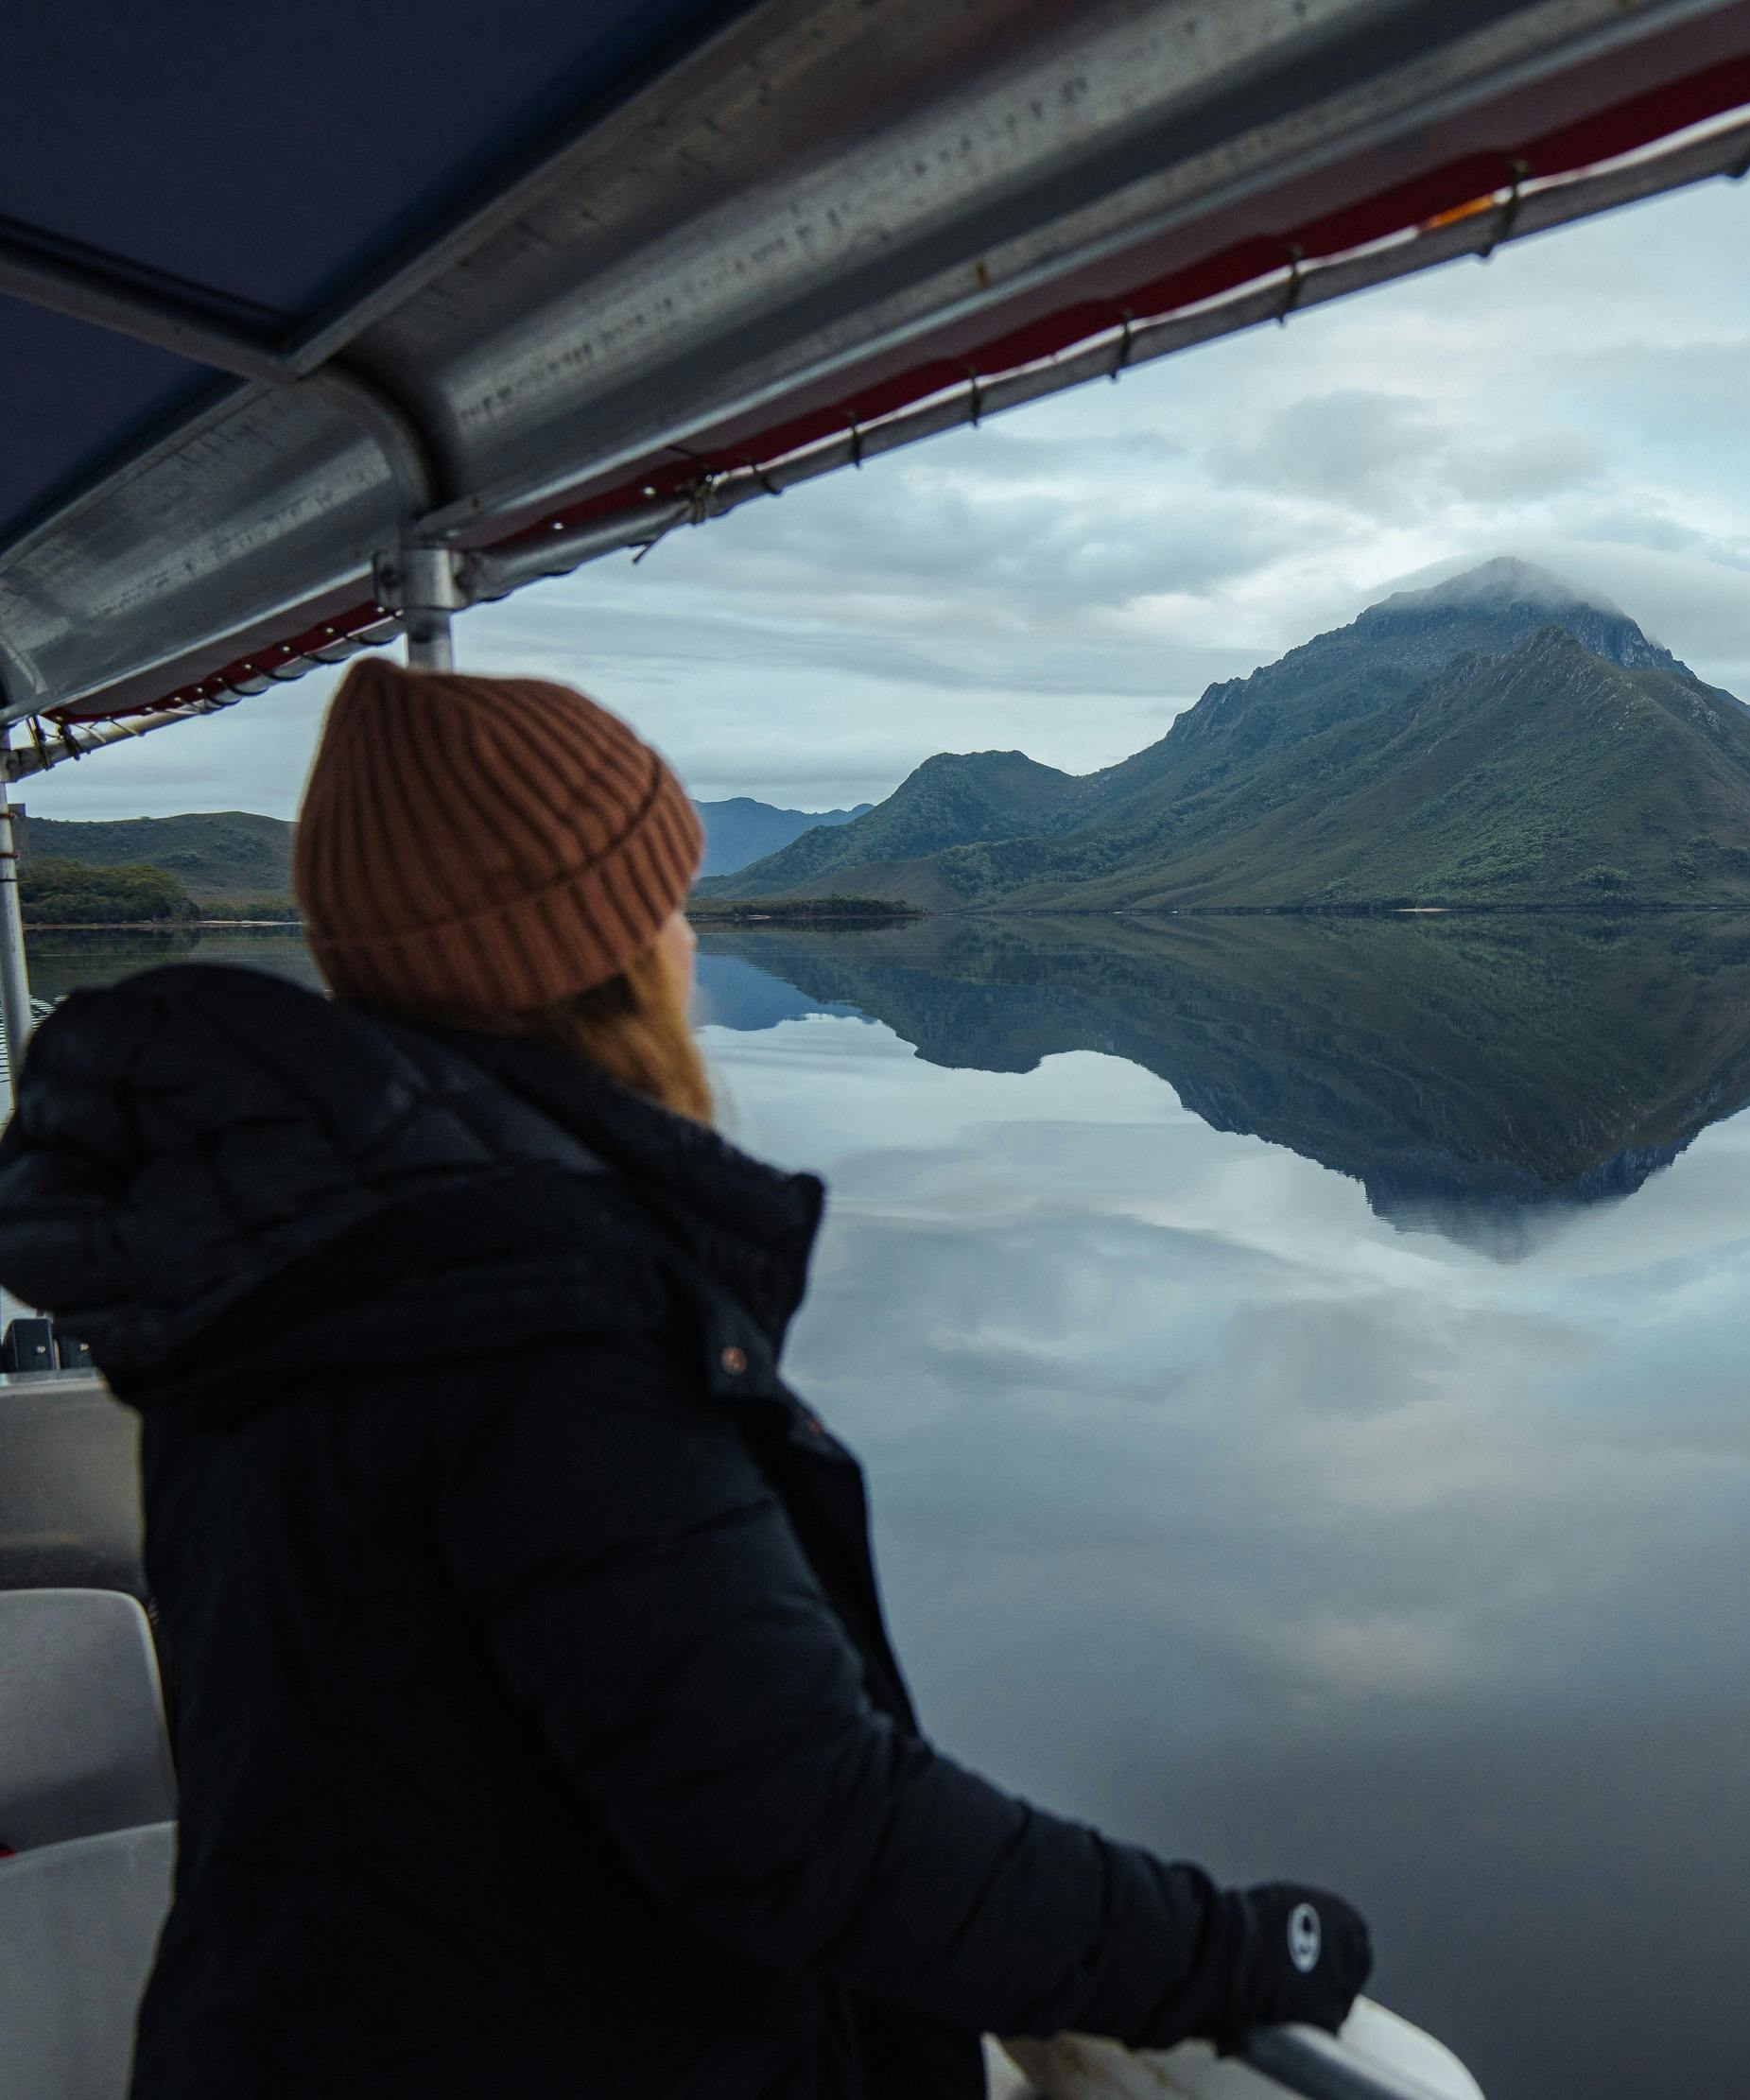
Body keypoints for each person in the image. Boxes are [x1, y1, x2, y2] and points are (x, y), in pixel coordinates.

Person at [0, 660, 1370, 2099]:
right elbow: (809, 1824)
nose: (682, 939)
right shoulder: (527, 1319)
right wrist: (1237, 1947)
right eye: (661, 899)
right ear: (594, 952)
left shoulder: (287, 1265)